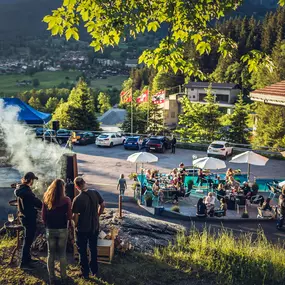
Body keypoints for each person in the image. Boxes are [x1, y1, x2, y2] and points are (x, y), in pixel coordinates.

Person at [72, 177, 105, 279]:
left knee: (82, 250)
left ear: (76, 186)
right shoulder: (95, 193)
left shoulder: (77, 199)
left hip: (82, 228)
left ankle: (85, 272)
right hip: (94, 226)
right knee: (93, 248)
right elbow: (103, 205)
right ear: (85, 183)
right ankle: (94, 270)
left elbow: (75, 216)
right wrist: (98, 215)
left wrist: (75, 225)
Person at [42, 179, 72, 285]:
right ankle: (64, 277)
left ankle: (52, 278)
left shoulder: (46, 199)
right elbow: (69, 216)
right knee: (62, 255)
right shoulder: (67, 200)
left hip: (50, 229)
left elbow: (43, 217)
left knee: (50, 254)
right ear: (62, 188)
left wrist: (47, 226)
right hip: (62, 229)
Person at [14, 172, 42, 269]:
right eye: (33, 180)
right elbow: (37, 203)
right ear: (29, 180)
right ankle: (23, 263)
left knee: (28, 239)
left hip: (24, 217)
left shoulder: (20, 189)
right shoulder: (27, 192)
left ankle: (27, 259)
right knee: (28, 240)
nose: (33, 182)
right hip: (29, 218)